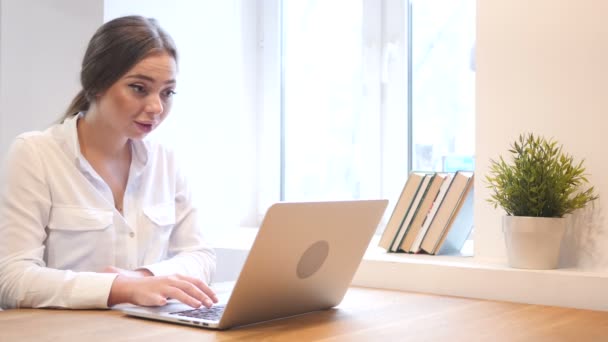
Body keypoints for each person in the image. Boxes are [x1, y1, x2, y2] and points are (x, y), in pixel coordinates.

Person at [0, 15, 218, 309]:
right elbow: (12, 280)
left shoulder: (165, 160)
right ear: (96, 84)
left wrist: (142, 278)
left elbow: (201, 256)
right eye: (139, 88)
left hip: (149, 330)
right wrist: (119, 288)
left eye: (167, 92)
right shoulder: (36, 153)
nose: (156, 107)